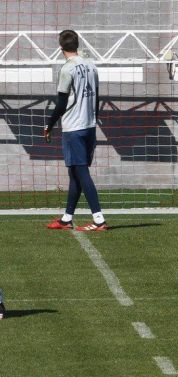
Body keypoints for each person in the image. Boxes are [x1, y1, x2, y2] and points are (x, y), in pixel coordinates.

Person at [44, 29, 106, 231]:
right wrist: (94, 119)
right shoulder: (91, 65)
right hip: (89, 126)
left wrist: (50, 124)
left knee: (81, 172)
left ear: (61, 48)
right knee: (75, 173)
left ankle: (99, 220)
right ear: (77, 45)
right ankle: (67, 218)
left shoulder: (66, 69)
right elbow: (96, 97)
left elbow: (61, 104)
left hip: (73, 128)